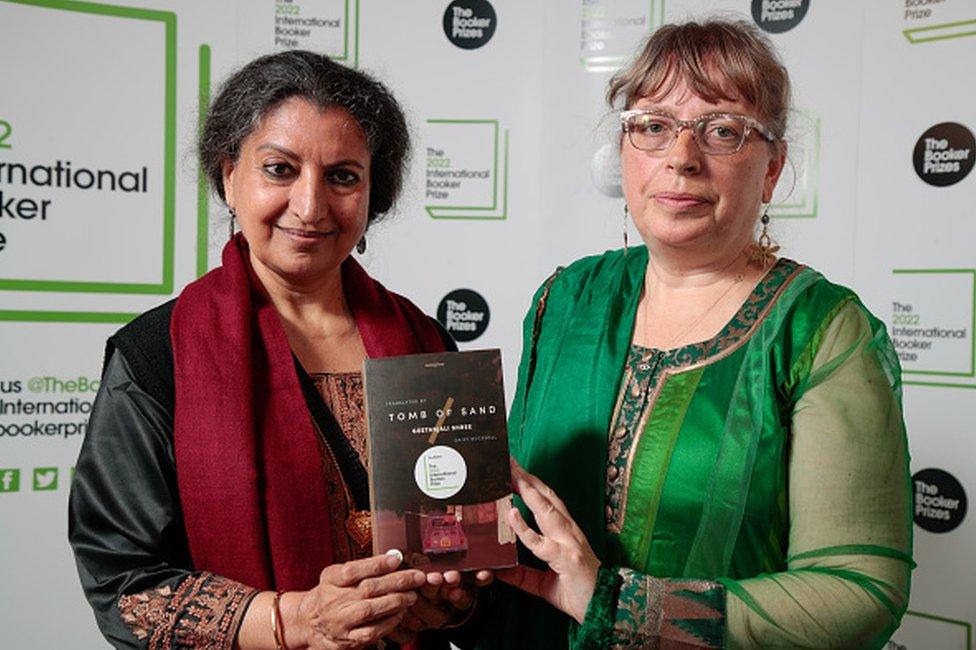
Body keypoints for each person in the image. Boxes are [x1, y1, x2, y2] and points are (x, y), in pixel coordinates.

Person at [478, 19, 913, 649]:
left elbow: (860, 588)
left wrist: (615, 602)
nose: (681, 158)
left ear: (772, 169)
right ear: (623, 152)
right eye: (653, 126)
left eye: (722, 131)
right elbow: (518, 515)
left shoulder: (820, 329)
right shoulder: (567, 299)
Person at [69, 51, 484, 649]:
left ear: (375, 194)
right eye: (280, 169)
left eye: (343, 175)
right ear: (229, 176)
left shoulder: (427, 344)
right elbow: (122, 584)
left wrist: (453, 602)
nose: (310, 206)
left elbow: (469, 555)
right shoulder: (156, 357)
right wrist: (296, 622)